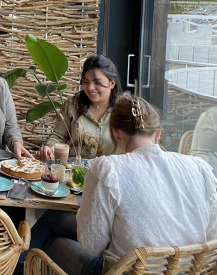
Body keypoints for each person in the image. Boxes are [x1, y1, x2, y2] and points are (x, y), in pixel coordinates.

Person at [27, 93, 217, 275]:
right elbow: (212, 234)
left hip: (123, 271)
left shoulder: (109, 169)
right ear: (157, 133)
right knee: (56, 217)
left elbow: (92, 246)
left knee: (52, 242)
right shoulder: (200, 168)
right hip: (189, 270)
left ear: (115, 134)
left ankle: (17, 263)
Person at [36, 54, 123, 162]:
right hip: (74, 169)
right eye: (85, 82)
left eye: (97, 82)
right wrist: (50, 148)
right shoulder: (72, 105)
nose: (90, 88)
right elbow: (58, 136)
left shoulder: (124, 110)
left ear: (112, 84)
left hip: (110, 170)